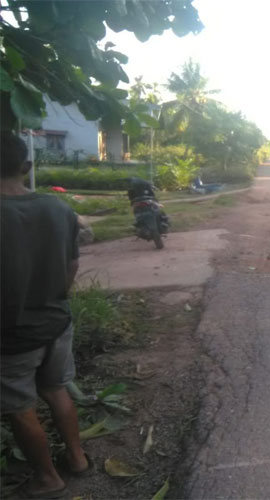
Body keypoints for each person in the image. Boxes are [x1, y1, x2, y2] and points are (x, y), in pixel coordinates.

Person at [1, 132, 90, 498]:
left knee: (21, 408)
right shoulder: (59, 209)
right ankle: (78, 458)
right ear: (27, 166)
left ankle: (48, 478)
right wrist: (55, 301)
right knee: (56, 390)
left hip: (10, 336)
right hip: (56, 323)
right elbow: (71, 265)